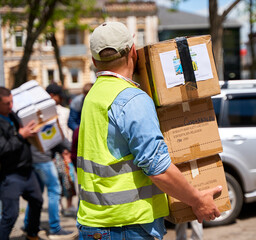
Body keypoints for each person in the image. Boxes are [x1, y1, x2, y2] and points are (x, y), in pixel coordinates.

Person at [76, 21, 222, 240]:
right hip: (127, 226)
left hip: (94, 225)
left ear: (95, 61)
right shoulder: (131, 98)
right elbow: (158, 167)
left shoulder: (94, 95)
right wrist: (198, 201)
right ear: (133, 51)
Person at [0, 86, 43, 240]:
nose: (11, 105)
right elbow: (2, 148)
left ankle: (32, 234)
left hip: (27, 171)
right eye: (6, 103)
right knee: (10, 215)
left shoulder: (13, 115)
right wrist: (20, 135)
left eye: (11, 101)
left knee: (37, 201)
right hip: (10, 174)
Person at [45, 83, 77, 216]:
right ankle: (60, 206)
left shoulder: (64, 111)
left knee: (67, 178)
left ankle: (66, 205)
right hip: (57, 150)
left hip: (64, 149)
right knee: (60, 179)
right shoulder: (51, 112)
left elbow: (67, 131)